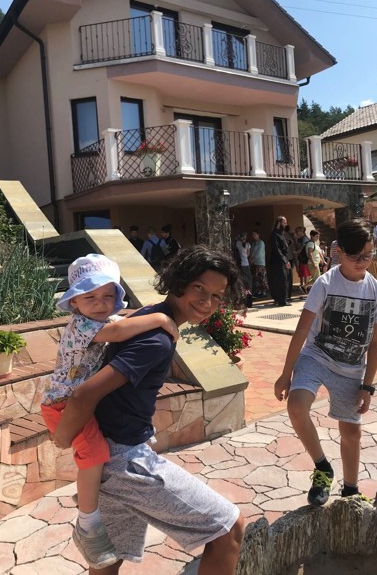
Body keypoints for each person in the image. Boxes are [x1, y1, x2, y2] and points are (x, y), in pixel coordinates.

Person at [53, 246, 245, 575]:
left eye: (217, 295)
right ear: (179, 282)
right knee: (229, 529)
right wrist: (62, 438)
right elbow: (85, 394)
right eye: (199, 288)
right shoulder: (156, 339)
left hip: (107, 452)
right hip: (124, 457)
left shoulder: (149, 316)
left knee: (108, 556)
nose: (207, 301)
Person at [41, 254, 179, 569]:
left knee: (97, 457)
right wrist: (161, 319)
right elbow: (118, 333)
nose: (100, 304)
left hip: (73, 402)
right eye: (90, 297)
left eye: (107, 296)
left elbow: (122, 324)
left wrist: (143, 313)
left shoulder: (101, 320)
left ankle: (90, 495)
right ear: (74, 302)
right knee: (95, 456)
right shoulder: (81, 325)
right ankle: (87, 525)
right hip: (63, 404)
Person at [274, 219, 377, 507]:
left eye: (368, 255)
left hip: (351, 368)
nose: (362, 262)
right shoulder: (325, 284)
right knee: (296, 407)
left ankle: (350, 490)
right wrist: (285, 373)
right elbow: (302, 330)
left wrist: (368, 386)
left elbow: (376, 343)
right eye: (355, 256)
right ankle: (322, 467)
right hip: (316, 356)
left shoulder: (376, 291)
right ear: (340, 253)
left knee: (351, 432)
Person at [269, 216, 292, 306]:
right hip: (278, 261)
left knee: (285, 279)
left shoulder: (281, 234)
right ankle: (281, 300)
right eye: (284, 222)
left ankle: (283, 298)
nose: (286, 224)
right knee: (281, 280)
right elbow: (277, 249)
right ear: (279, 223)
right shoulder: (274, 235)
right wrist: (285, 261)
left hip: (283, 259)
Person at [250, 229, 268, 298]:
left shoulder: (261, 243)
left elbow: (259, 253)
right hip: (255, 263)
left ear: (258, 235)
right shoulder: (253, 244)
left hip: (260, 262)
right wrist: (251, 259)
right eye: (253, 235)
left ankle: (264, 292)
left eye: (255, 234)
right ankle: (259, 291)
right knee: (257, 278)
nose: (253, 236)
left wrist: (253, 259)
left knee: (262, 277)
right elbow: (252, 252)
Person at [235, 231, 253, 304]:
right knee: (248, 282)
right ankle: (249, 298)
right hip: (246, 264)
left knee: (243, 282)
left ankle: (243, 298)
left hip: (241, 265)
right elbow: (248, 254)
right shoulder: (247, 244)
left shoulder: (238, 243)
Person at [294, 226, 311, 294]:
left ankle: (305, 287)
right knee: (301, 273)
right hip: (301, 258)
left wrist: (296, 252)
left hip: (304, 259)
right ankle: (302, 286)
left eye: (297, 231)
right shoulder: (299, 239)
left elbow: (302, 248)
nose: (296, 233)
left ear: (301, 232)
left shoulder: (304, 239)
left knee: (305, 273)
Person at [284, 225, 296, 300]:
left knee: (290, 276)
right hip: (287, 258)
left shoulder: (291, 236)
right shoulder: (285, 236)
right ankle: (287, 294)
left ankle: (289, 293)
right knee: (288, 276)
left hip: (291, 257)